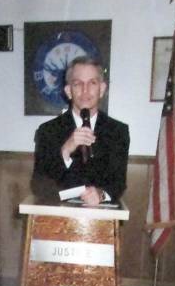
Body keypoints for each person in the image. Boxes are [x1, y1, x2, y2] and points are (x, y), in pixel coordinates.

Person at [31, 56, 130, 206]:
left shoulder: (118, 131)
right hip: (57, 216)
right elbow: (39, 185)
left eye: (92, 83)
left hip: (102, 216)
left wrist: (101, 194)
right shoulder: (47, 131)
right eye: (78, 84)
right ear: (68, 91)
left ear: (102, 89)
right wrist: (65, 150)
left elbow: (118, 183)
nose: (85, 90)